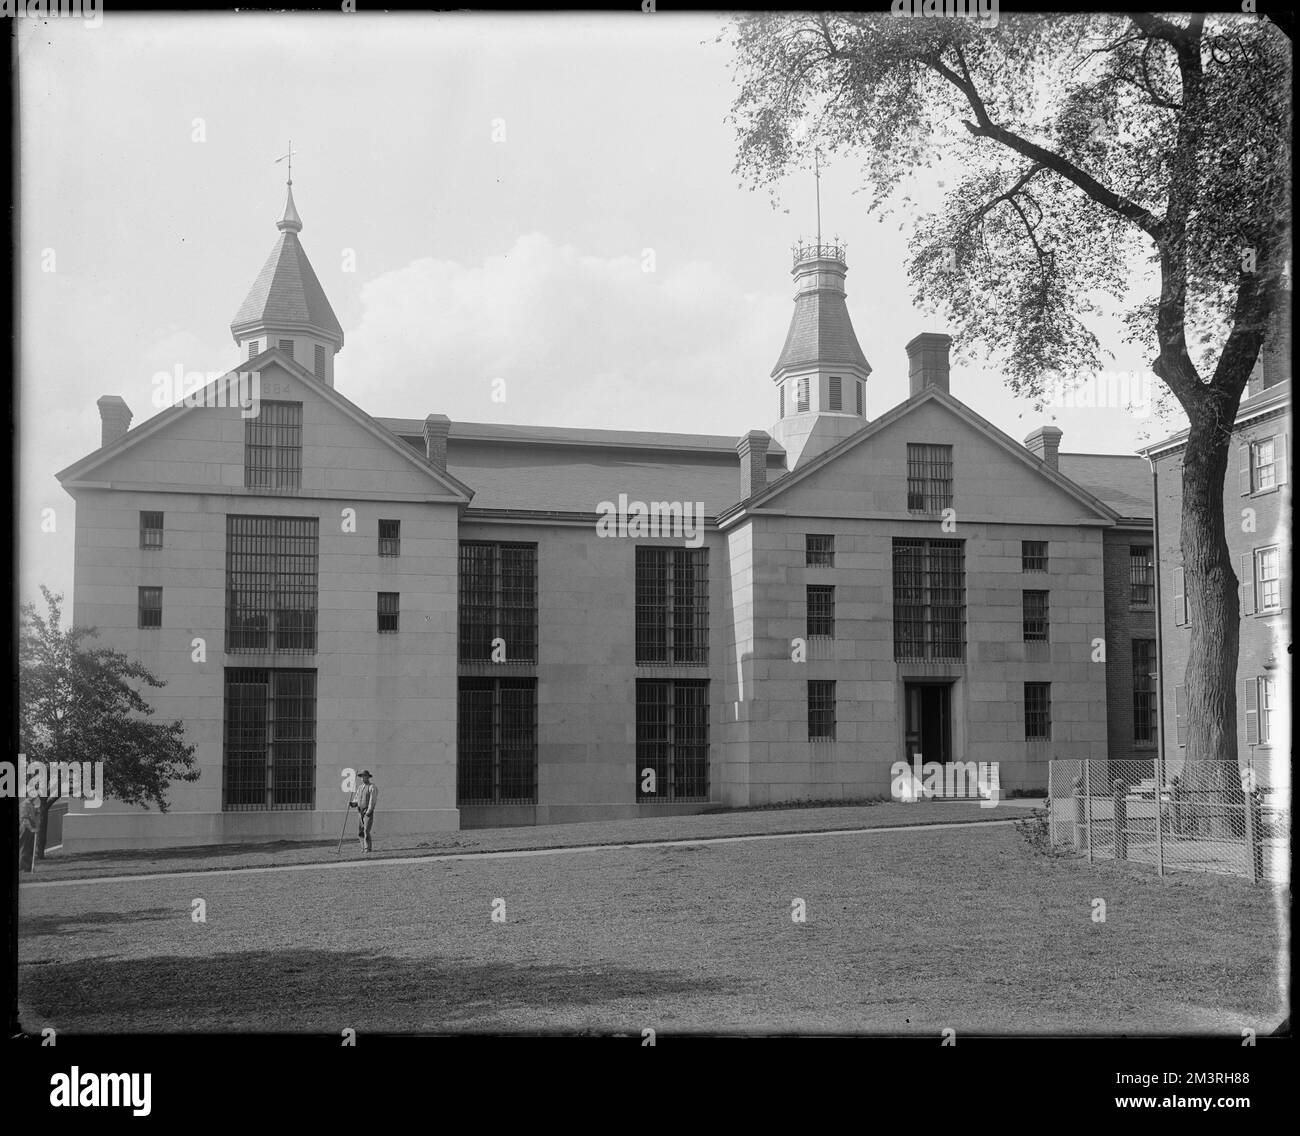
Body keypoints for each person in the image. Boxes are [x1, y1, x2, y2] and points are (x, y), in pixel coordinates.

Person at [351, 770, 378, 853]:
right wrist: (353, 803)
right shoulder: (360, 787)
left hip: (367, 811)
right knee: (360, 831)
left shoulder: (372, 787)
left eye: (364, 776)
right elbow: (356, 798)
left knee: (366, 830)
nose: (363, 778)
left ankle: (367, 848)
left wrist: (369, 810)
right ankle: (363, 847)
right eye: (362, 777)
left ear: (368, 777)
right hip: (360, 812)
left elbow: (372, 800)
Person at [19, 795, 40, 873]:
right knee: (24, 848)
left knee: (30, 848)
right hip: (26, 828)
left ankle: (29, 867)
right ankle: (22, 868)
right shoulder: (24, 804)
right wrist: (31, 828)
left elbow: (34, 817)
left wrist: (37, 811)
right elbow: (24, 819)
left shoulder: (32, 804)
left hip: (31, 828)